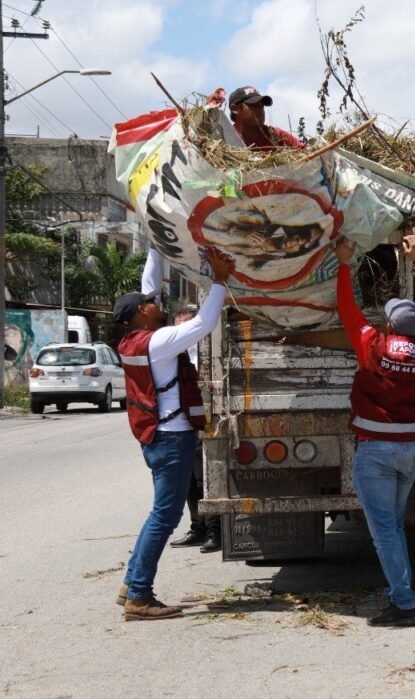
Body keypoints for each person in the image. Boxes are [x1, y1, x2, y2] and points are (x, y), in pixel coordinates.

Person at [114, 247, 235, 620]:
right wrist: (220, 280)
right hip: (172, 437)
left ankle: (130, 584)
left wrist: (156, 244)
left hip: (157, 436)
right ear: (140, 314)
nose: (156, 303)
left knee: (159, 514)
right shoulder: (158, 343)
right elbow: (202, 325)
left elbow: (149, 286)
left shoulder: (134, 341)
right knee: (165, 517)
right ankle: (139, 596)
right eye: (149, 303)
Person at [334, 233, 415, 627]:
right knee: (393, 525)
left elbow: (346, 307)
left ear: (387, 323)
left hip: (376, 452)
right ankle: (397, 593)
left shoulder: (373, 346)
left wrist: (345, 262)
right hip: (409, 451)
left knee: (383, 530)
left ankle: (403, 603)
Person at [166, 304, 221, 554]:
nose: (183, 332)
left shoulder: (207, 353)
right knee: (188, 479)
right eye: (179, 326)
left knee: (206, 477)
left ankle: (214, 531)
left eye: (188, 325)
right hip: (181, 424)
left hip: (206, 422)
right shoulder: (173, 354)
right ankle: (197, 527)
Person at [228, 86, 305, 151]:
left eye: (262, 106)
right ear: (235, 109)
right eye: (254, 105)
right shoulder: (224, 139)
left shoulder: (275, 136)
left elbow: (307, 154)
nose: (261, 110)